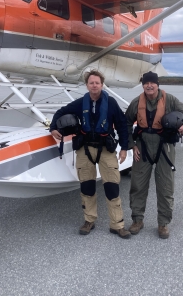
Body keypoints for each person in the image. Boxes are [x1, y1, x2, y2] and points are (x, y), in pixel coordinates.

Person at [50, 70, 131, 239]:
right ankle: (89, 220)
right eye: (91, 83)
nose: (94, 85)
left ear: (102, 85)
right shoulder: (80, 103)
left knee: (112, 187)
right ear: (87, 85)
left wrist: (124, 148)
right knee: (87, 187)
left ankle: (117, 225)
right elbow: (60, 112)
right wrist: (53, 128)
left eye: (97, 83)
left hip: (106, 150)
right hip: (84, 149)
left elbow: (122, 125)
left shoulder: (112, 104)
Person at [125, 71, 183, 239]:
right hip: (142, 147)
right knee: (137, 186)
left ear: (157, 85)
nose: (149, 86)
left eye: (152, 83)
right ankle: (137, 220)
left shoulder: (170, 100)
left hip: (164, 147)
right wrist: (131, 144)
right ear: (143, 85)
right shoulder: (136, 103)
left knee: (165, 186)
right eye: (146, 83)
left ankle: (163, 223)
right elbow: (126, 122)